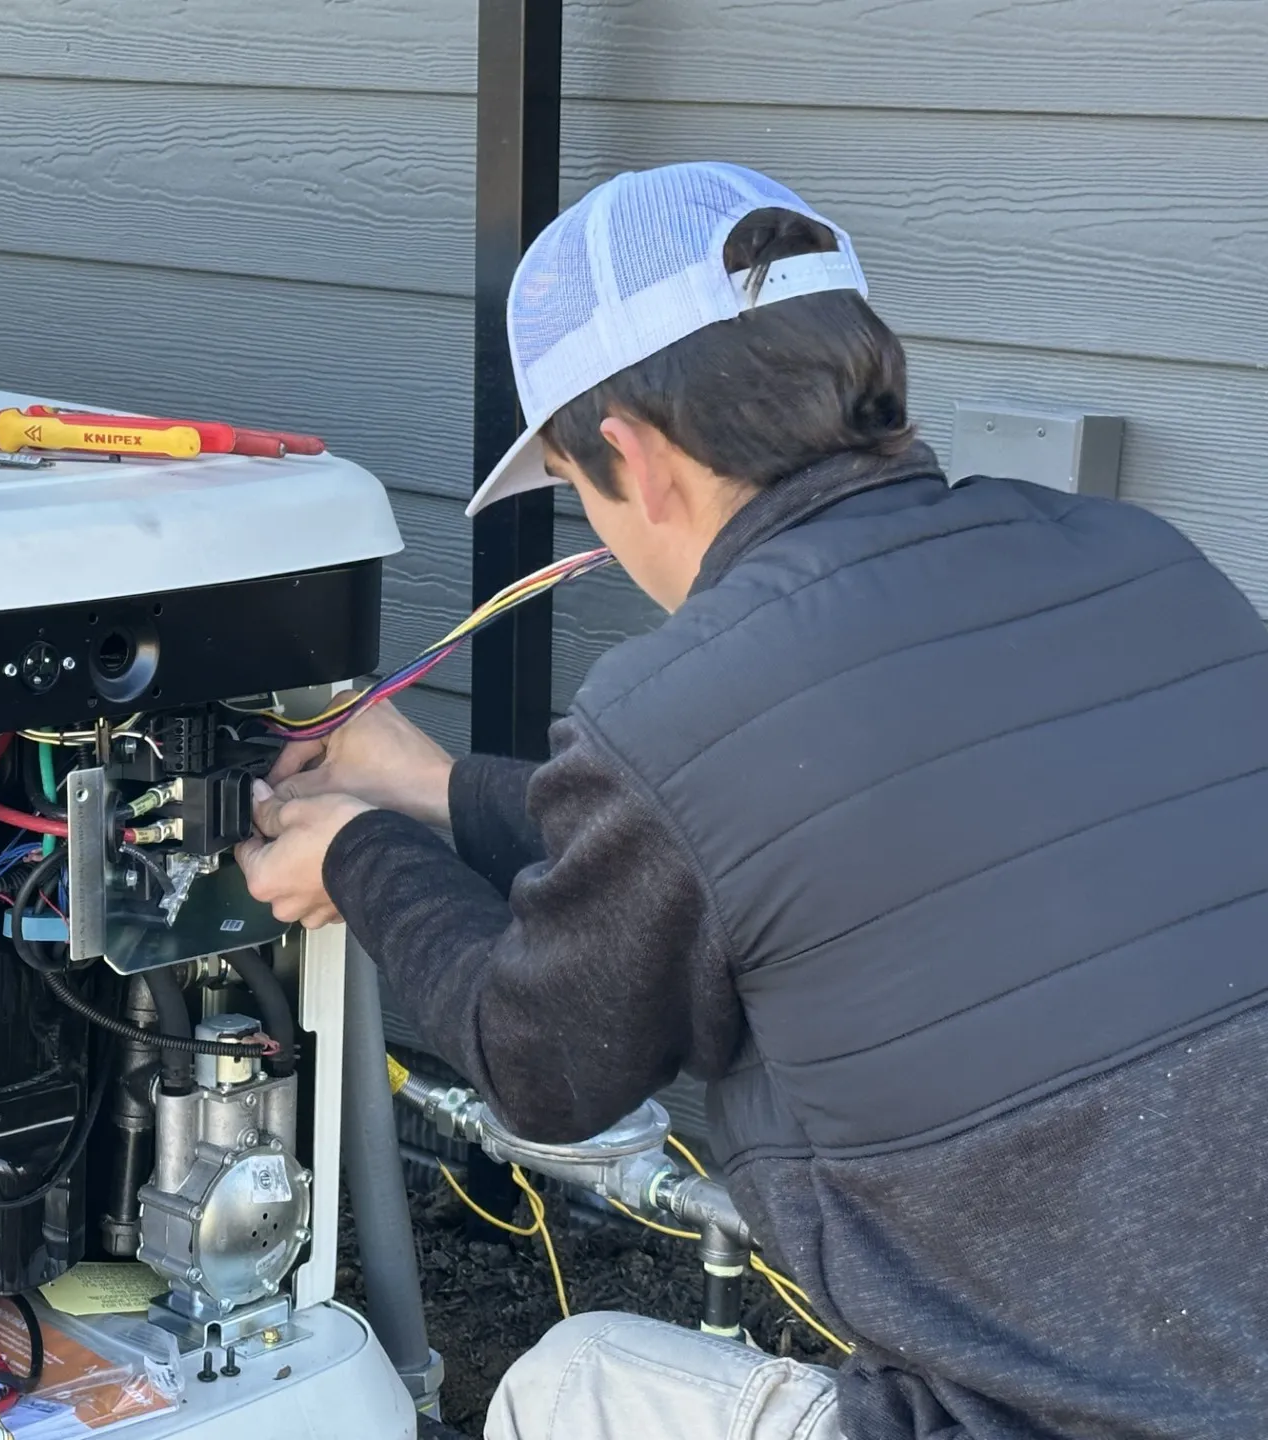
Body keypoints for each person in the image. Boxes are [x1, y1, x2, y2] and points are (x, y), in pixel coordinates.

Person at [234, 162, 1268, 1440]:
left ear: (633, 452)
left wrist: (357, 858)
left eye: (577, 486)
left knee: (574, 1384)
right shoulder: (1139, 561)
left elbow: (540, 1063)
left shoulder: (688, 705)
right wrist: (430, 786)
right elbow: (732, 848)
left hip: (1027, 1417)